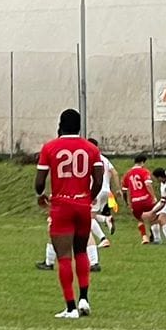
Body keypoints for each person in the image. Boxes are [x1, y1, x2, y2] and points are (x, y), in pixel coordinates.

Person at [37, 108, 104, 318]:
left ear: (60, 125)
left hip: (61, 206)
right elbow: (99, 179)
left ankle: (70, 307)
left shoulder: (50, 147)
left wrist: (41, 194)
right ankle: (84, 298)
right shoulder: (91, 148)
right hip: (83, 205)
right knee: (81, 251)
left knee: (64, 257)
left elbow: (39, 181)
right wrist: (89, 197)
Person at [122, 153, 157, 243]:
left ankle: (144, 237)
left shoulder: (128, 174)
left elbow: (124, 190)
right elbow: (148, 184)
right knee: (153, 218)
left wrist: (127, 202)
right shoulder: (144, 171)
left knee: (140, 219)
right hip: (146, 199)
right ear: (142, 162)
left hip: (135, 202)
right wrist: (153, 197)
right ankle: (155, 236)